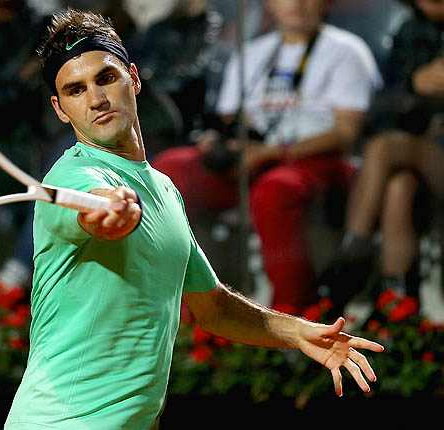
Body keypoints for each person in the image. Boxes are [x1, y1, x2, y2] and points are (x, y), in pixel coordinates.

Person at [4, 8, 384, 429]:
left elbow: (214, 306)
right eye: (75, 90)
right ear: (60, 109)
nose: (96, 99)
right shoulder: (70, 176)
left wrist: (297, 332)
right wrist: (110, 209)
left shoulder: (165, 189)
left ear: (133, 78)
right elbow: (92, 204)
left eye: (106, 78)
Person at [151, 0, 382, 315]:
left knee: (276, 189)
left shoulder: (346, 50)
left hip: (314, 160)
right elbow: (230, 119)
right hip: (254, 157)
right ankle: (193, 308)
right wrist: (220, 142)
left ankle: (292, 314)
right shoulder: (252, 52)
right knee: (172, 168)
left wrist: (273, 152)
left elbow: (346, 132)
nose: (296, 4)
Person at [313, 0, 444, 322]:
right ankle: (397, 304)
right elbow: (380, 111)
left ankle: (352, 257)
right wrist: (414, 86)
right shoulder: (411, 31)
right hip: (424, 156)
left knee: (383, 149)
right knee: (399, 187)